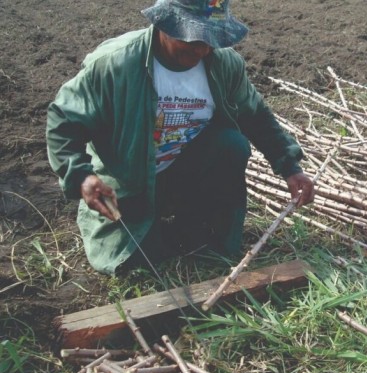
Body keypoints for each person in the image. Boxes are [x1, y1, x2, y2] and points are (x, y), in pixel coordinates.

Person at [46, 0, 315, 275]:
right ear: (164, 23)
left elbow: (255, 116)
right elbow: (64, 119)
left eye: (211, 39)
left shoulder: (224, 65)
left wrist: (290, 168)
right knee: (139, 262)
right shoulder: (117, 64)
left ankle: (198, 223)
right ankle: (153, 229)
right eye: (194, 38)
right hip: (129, 185)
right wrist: (81, 176)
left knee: (232, 145)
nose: (202, 49)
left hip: (183, 174)